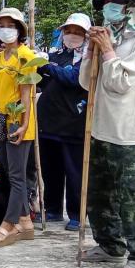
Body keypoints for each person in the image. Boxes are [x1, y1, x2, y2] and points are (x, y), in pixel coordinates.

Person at [78, 0, 135, 268]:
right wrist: (91, 50)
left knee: (133, 198)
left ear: (131, 8)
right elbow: (88, 84)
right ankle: (110, 245)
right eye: (106, 3)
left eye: (117, 3)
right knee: (98, 195)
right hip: (101, 128)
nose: (109, 8)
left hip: (131, 132)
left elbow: (121, 83)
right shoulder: (105, 38)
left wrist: (109, 50)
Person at [0, 7, 38, 248]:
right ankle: (25, 221)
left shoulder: (25, 56)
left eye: (11, 25)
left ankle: (9, 224)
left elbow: (27, 94)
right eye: (1, 25)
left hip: (17, 121)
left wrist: (24, 124)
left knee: (17, 176)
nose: (6, 30)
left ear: (19, 30)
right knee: (8, 172)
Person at [36, 13, 91, 231]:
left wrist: (46, 66)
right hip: (48, 121)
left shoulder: (87, 59)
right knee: (51, 170)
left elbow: (73, 79)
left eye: (78, 32)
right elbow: (41, 79)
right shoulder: (55, 54)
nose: (72, 35)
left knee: (75, 172)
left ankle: (77, 214)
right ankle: (52, 209)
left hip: (74, 123)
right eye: (69, 31)